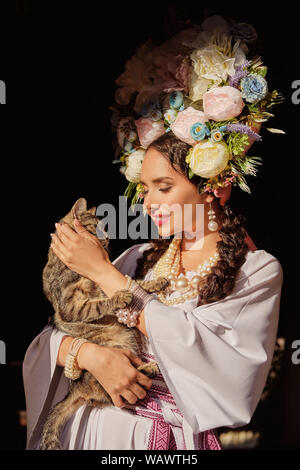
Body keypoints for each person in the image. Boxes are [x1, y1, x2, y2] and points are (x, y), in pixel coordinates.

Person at [22, 15, 284, 451]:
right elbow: (51, 338)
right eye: (144, 188)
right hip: (90, 432)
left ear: (212, 184)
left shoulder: (255, 273)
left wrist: (106, 276)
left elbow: (219, 368)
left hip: (161, 440)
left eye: (164, 187)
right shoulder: (138, 257)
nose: (147, 202)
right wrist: (90, 355)